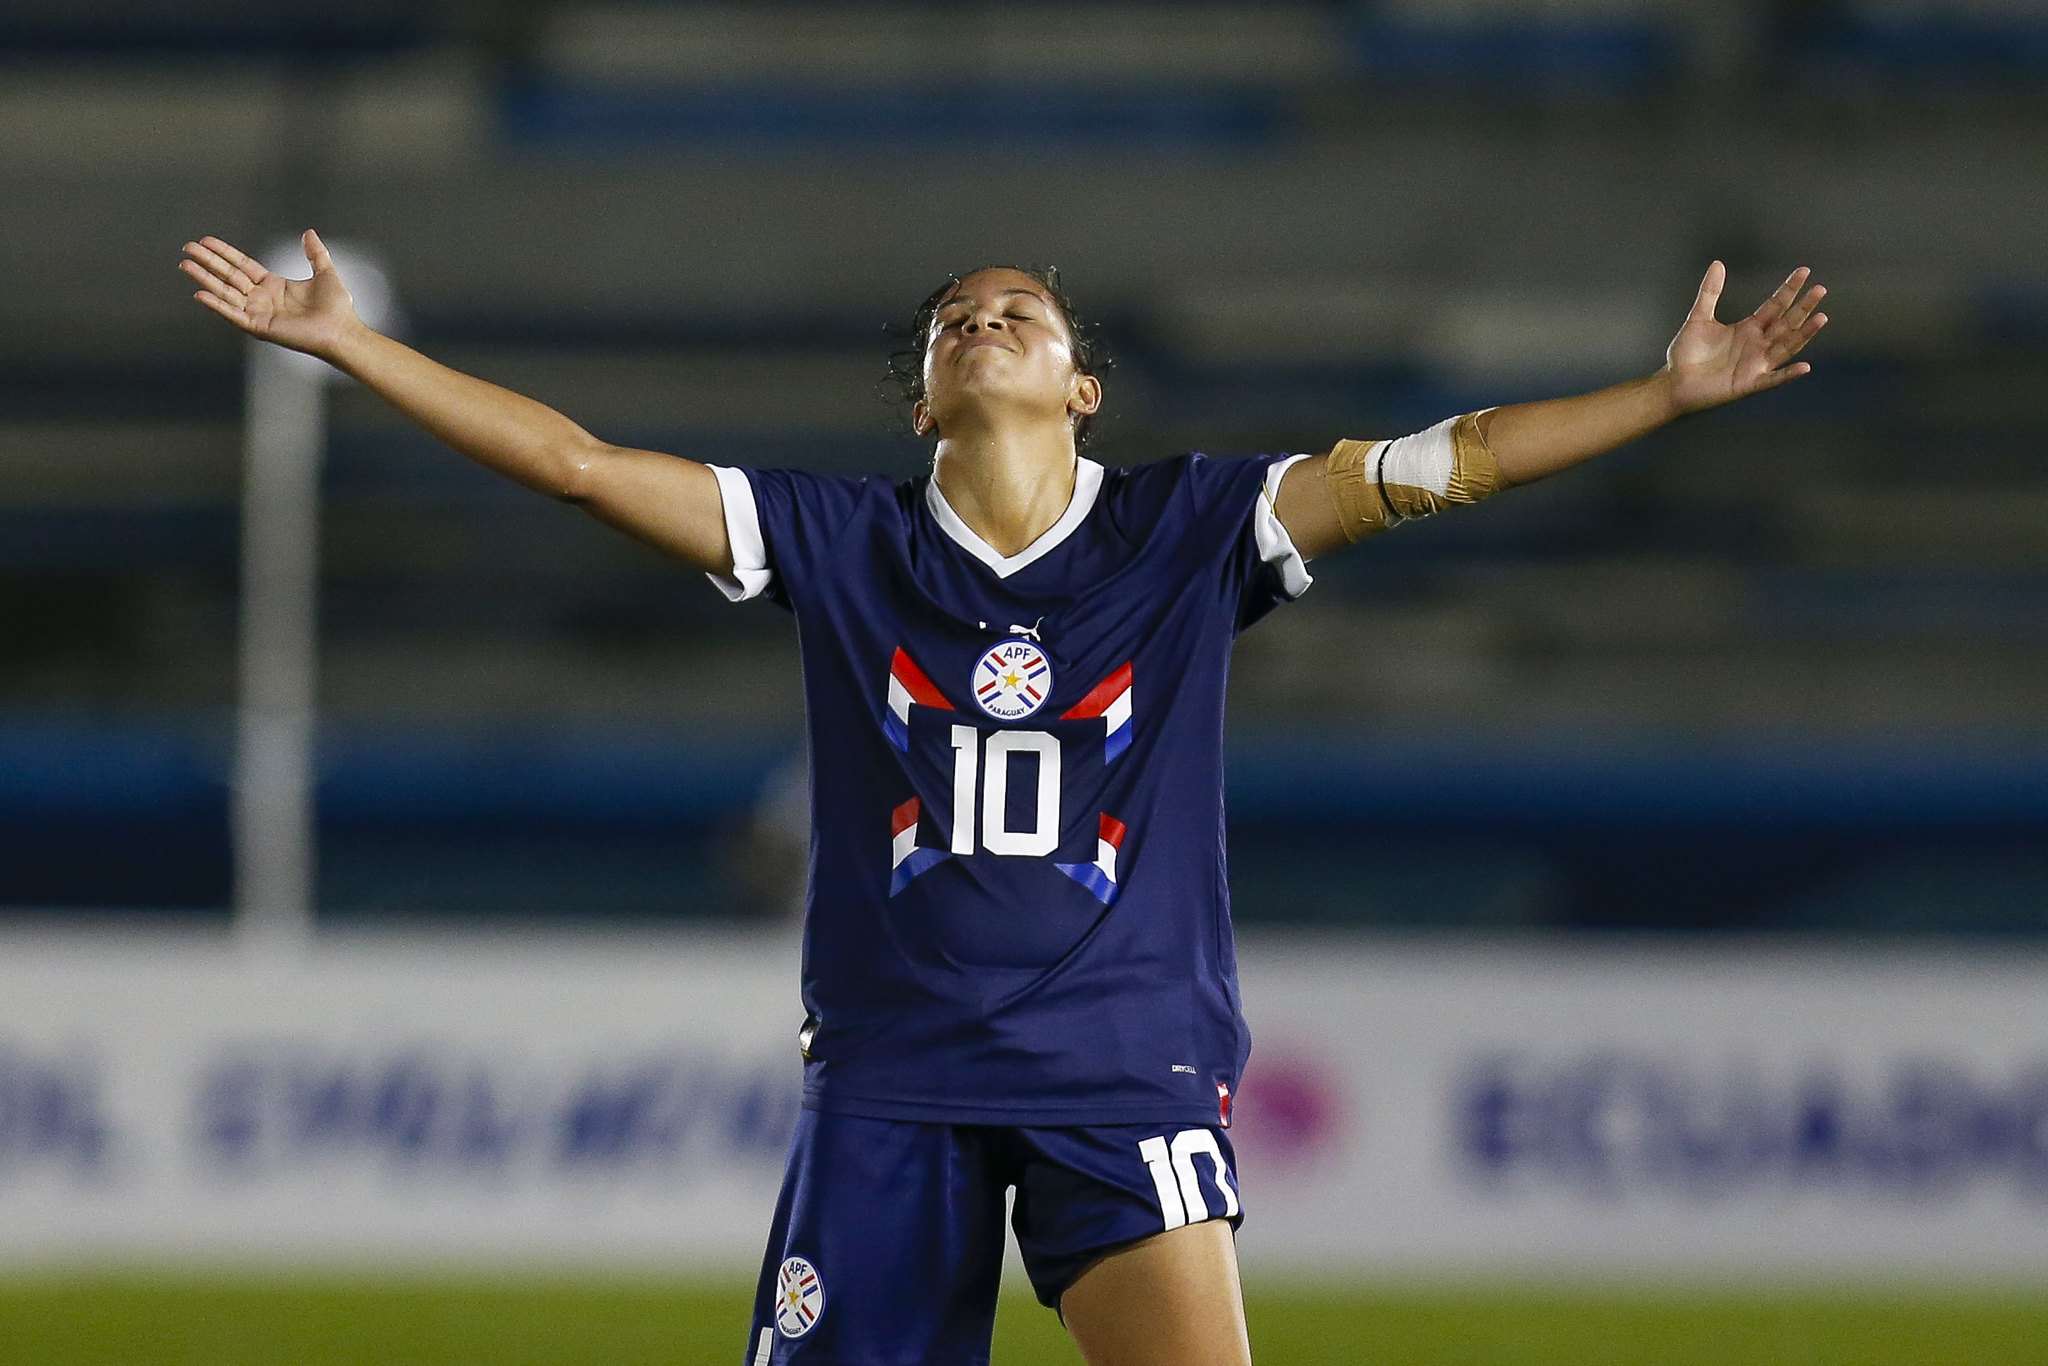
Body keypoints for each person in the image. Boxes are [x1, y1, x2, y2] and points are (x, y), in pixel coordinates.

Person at [181, 231, 1827, 1366]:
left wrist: (1662, 398)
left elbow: (1436, 461)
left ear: (1083, 387)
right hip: (893, 1078)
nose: (985, 320)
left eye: (1021, 310)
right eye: (954, 317)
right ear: (919, 399)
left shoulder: (1187, 527)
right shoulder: (843, 541)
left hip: (1124, 1069)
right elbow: (577, 465)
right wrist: (348, 346)